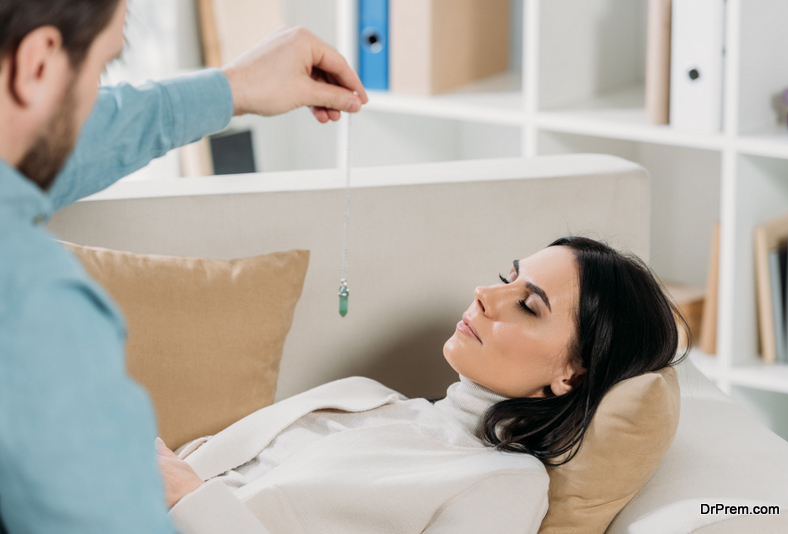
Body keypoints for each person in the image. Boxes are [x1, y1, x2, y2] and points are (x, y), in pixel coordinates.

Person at [0, 0, 368, 531]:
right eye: (101, 68)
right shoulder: (38, 313)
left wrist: (231, 88)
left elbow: (46, 140)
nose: (93, 103)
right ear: (37, 64)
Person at [156, 237, 687, 534]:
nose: (484, 294)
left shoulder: (502, 483)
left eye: (528, 305)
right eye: (507, 279)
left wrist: (190, 499)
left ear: (572, 374)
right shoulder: (370, 397)